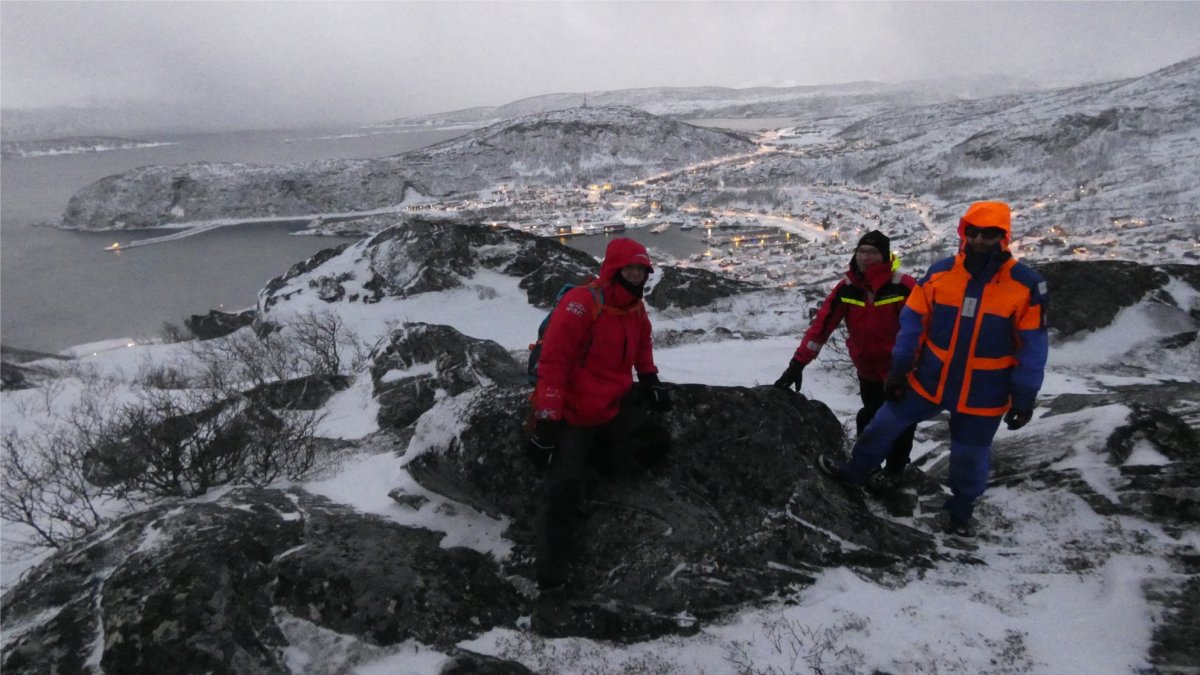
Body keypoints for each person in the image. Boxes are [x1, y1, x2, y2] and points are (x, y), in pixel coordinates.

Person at [818, 201, 1049, 539]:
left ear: (1004, 236)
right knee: (883, 424)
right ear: (963, 233)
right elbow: (912, 325)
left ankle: (960, 514)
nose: (981, 240)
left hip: (984, 391)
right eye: (974, 232)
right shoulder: (941, 274)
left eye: (991, 234)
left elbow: (1033, 347)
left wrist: (1024, 397)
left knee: (970, 457)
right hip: (929, 379)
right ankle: (853, 473)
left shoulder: (1026, 285)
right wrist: (899, 371)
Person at [527, 237, 672, 590]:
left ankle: (591, 475)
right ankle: (551, 581)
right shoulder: (582, 304)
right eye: (630, 268)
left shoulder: (634, 308)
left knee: (657, 442)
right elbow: (554, 363)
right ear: (613, 269)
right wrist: (546, 420)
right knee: (560, 492)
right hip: (573, 413)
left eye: (641, 269)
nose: (636, 275)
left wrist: (649, 377)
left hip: (611, 406)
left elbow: (641, 342)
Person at [774, 230, 918, 491]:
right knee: (872, 415)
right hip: (868, 369)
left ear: (885, 255)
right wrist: (798, 364)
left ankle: (894, 471)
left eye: (873, 252)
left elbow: (923, 327)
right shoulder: (848, 288)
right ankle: (868, 466)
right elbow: (822, 327)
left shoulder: (902, 285)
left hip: (900, 370)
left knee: (900, 421)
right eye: (862, 250)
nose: (866, 256)